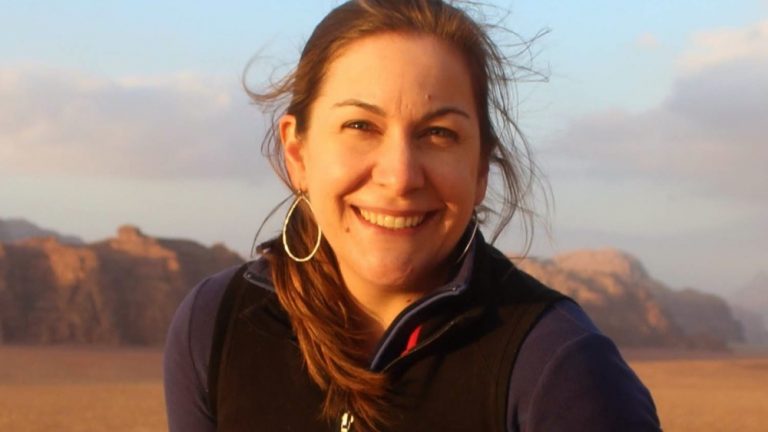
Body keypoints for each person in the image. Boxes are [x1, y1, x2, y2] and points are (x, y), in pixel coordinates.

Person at [163, 1, 661, 431]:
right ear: (297, 152)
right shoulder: (218, 325)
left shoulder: (558, 368)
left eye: (439, 134)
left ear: (480, 168)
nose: (400, 176)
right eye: (360, 125)